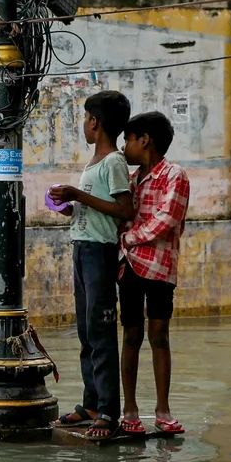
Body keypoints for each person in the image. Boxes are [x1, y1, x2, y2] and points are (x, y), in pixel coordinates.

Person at [47, 90, 136, 439]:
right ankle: (91, 403)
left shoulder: (113, 161)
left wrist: (78, 195)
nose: (83, 125)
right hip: (82, 248)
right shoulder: (94, 163)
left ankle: (109, 411)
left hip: (99, 252)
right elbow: (96, 207)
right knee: (86, 332)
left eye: (86, 119)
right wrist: (70, 207)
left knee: (100, 332)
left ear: (95, 123)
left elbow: (124, 211)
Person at [117, 112, 190, 436]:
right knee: (131, 335)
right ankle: (129, 409)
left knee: (159, 335)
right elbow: (124, 215)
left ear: (144, 140)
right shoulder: (133, 179)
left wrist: (128, 239)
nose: (124, 147)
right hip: (131, 266)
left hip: (160, 266)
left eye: (128, 140)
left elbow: (167, 220)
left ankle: (163, 410)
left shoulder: (175, 175)